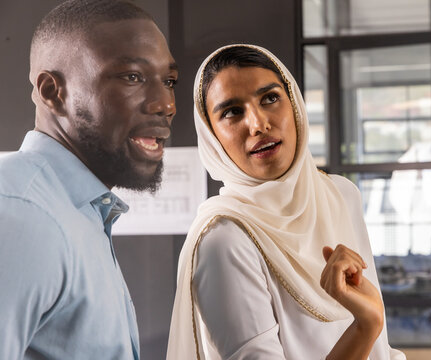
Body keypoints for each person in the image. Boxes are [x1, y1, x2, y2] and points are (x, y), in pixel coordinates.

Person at [167, 44, 404, 360]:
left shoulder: (340, 195)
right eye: (232, 112)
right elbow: (372, 326)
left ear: (294, 105)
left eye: (270, 98)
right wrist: (366, 325)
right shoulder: (224, 240)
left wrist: (373, 331)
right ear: (212, 138)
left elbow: (381, 351)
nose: (258, 124)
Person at [0, 1, 177, 359]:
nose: (165, 104)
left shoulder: (77, 211)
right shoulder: (22, 215)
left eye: (169, 81)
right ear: (52, 91)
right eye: (132, 76)